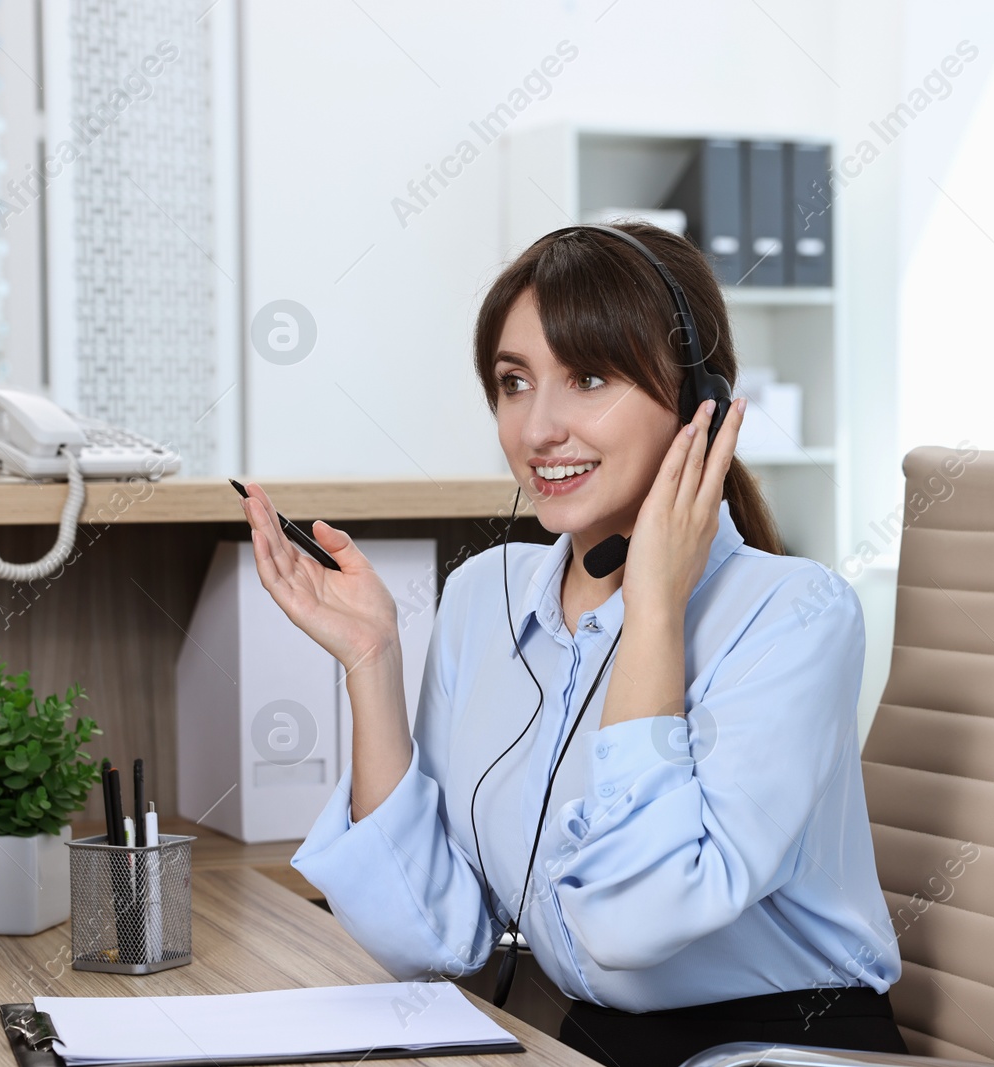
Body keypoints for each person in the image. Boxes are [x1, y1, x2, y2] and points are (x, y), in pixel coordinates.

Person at [237, 222, 907, 1067]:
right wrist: (372, 662)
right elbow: (433, 938)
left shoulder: (796, 614)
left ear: (699, 401)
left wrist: (654, 608)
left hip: (782, 1045)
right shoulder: (486, 594)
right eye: (514, 382)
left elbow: (637, 918)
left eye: (588, 377)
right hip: (588, 1041)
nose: (539, 428)